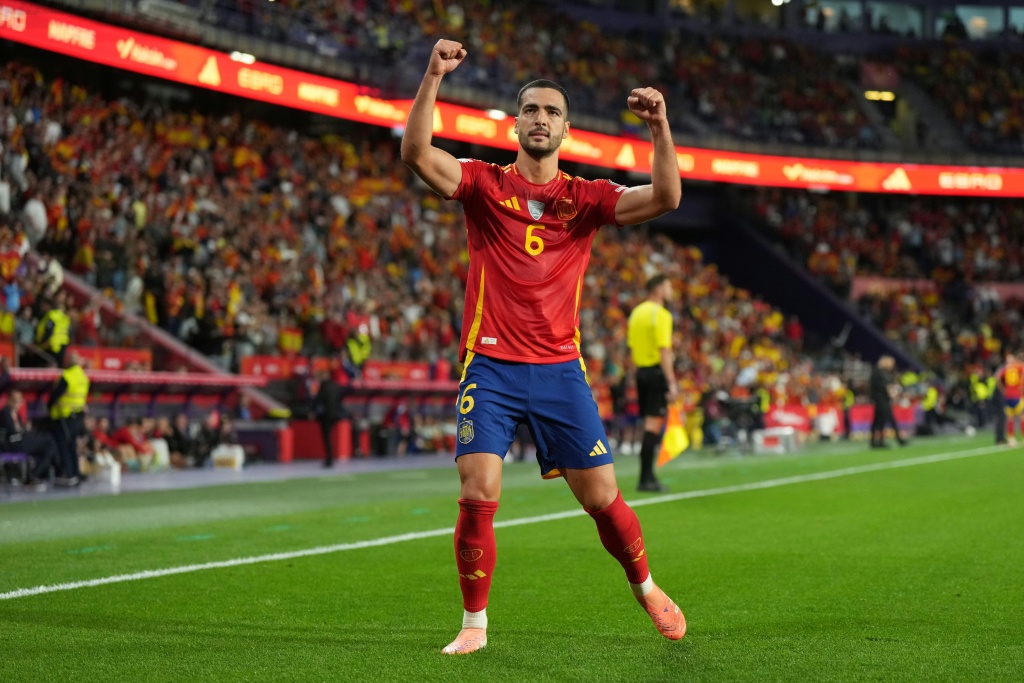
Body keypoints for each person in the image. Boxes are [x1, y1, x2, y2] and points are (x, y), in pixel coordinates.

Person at [401, 39, 685, 655]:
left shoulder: (585, 199)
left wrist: (659, 126)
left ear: (565, 129)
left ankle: (645, 585)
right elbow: (417, 153)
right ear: (516, 123)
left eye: (552, 112)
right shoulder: (483, 184)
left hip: (559, 369)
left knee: (602, 497)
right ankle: (474, 624)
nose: (540, 119)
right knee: (478, 489)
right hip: (492, 367)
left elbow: (665, 198)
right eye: (530, 110)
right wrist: (433, 76)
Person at [626, 274, 678, 492]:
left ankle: (645, 477)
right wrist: (672, 382)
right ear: (658, 289)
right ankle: (646, 478)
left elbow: (631, 349)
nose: (671, 291)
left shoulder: (636, 313)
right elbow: (664, 350)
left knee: (648, 424)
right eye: (668, 286)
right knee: (652, 426)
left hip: (641, 373)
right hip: (656, 373)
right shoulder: (661, 314)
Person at [47, 350, 89, 484]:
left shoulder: (67, 375)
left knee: (63, 446)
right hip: (77, 415)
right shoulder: (83, 377)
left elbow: (55, 395)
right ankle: (76, 473)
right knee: (72, 446)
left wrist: (50, 406)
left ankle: (68, 474)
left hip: (64, 415)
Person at [1, 390, 57, 489]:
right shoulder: (5, 413)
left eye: (20, 400)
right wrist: (24, 430)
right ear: (9, 400)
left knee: (49, 446)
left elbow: (20, 430)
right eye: (15, 400)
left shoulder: (16, 414)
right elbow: (13, 432)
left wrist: (25, 429)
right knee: (49, 442)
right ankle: (35, 475)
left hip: (21, 441)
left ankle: (35, 475)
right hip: (13, 444)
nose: (18, 403)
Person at [869, 355, 906, 448]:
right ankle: (899, 439)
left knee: (878, 420)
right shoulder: (881, 373)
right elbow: (887, 387)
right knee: (890, 419)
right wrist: (894, 395)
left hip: (879, 399)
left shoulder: (878, 372)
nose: (892, 365)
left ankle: (875, 441)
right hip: (881, 399)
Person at [313, 367, 343, 467]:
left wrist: (314, 411)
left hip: (326, 415)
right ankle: (330, 458)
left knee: (327, 437)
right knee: (329, 436)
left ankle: (329, 459)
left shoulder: (323, 386)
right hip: (335, 414)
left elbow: (319, 400)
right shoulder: (336, 386)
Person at [995, 352, 1024, 446]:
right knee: (1022, 417)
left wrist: (1003, 389)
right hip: (1017, 396)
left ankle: (1011, 439)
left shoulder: (1005, 369)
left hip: (1007, 396)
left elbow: (997, 377)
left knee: (1010, 418)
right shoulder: (1018, 367)